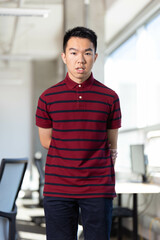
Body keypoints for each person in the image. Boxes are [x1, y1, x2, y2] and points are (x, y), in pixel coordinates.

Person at [36, 26, 121, 240]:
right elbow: (46, 141)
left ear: (95, 56)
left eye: (87, 52)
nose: (80, 60)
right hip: (58, 187)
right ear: (64, 57)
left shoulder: (110, 98)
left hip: (98, 187)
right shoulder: (47, 98)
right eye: (73, 53)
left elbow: (111, 145)